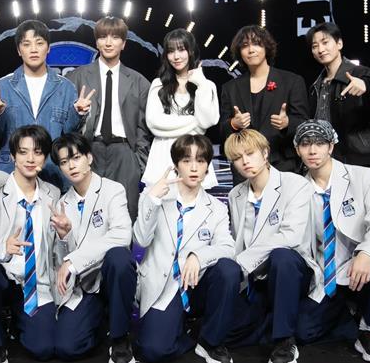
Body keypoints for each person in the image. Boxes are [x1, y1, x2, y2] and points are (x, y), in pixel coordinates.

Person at [293, 119, 370, 363]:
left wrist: (365, 253)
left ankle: (368, 330)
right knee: (303, 333)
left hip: (359, 267)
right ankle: (347, 312)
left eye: (319, 143)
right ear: (297, 149)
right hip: (325, 275)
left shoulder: (362, 176)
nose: (313, 150)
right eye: (305, 144)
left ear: (331, 146)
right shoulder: (297, 188)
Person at [134, 134, 240, 363]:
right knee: (153, 351)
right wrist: (153, 199)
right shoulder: (153, 197)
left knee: (228, 269)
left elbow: (227, 247)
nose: (194, 168)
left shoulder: (217, 208)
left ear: (207, 166)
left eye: (200, 161)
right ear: (176, 165)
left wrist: (198, 256)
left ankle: (210, 341)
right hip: (165, 286)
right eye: (186, 161)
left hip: (197, 284)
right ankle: (191, 334)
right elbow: (141, 240)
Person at [0, 125, 63, 363]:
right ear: (12, 156)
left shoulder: (52, 193)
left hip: (35, 284)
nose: (30, 159)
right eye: (23, 152)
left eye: (37, 153)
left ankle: (18, 321)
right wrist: (3, 249)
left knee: (44, 349)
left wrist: (64, 236)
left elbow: (57, 249)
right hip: (3, 278)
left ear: (45, 158)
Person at [222, 129, 316, 363]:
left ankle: (285, 341)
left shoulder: (295, 184)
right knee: (226, 334)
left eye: (250, 154)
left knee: (281, 256)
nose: (245, 161)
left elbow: (291, 236)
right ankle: (269, 321)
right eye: (237, 158)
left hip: (291, 271)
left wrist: (244, 261)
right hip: (255, 277)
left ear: (265, 154)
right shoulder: (236, 194)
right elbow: (236, 240)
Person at [49, 132, 138, 363]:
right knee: (67, 348)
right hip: (85, 285)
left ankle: (120, 338)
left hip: (110, 277)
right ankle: (101, 322)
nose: (71, 166)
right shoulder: (62, 203)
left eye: (76, 158)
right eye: (64, 162)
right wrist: (64, 236)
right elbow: (61, 260)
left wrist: (75, 260)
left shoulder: (112, 190)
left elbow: (122, 235)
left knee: (119, 257)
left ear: (89, 158)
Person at [0, 20, 91, 191]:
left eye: (39, 43)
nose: (33, 49)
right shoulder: (2, 86)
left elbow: (70, 137)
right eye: (27, 44)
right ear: (19, 50)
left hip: (53, 173)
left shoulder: (66, 87)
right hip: (11, 173)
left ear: (48, 48)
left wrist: (78, 114)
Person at [65, 16, 152, 220]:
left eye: (115, 37)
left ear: (124, 43)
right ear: (96, 42)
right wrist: (77, 114)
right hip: (88, 150)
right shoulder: (77, 77)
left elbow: (144, 127)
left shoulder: (138, 81)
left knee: (125, 215)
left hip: (125, 153)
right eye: (103, 37)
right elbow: (65, 123)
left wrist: (137, 162)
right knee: (86, 216)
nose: (108, 42)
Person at [219, 25, 309, 181]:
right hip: (245, 169)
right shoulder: (230, 88)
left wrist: (287, 123)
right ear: (240, 52)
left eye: (256, 44)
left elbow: (305, 124)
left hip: (283, 165)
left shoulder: (291, 81)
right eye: (245, 46)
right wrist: (234, 123)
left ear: (266, 47)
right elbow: (222, 130)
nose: (251, 50)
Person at [143, 28, 220, 189]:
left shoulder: (207, 85)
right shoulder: (158, 84)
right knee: (163, 201)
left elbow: (208, 121)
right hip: (163, 153)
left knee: (195, 202)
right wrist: (195, 122)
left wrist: (200, 84)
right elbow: (154, 123)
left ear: (191, 51)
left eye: (181, 49)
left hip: (195, 152)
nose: (176, 56)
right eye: (171, 51)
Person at [306, 22, 370, 167]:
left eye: (325, 42)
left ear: (339, 43)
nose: (320, 49)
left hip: (356, 158)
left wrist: (368, 87)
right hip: (324, 160)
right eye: (315, 46)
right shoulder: (316, 85)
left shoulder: (360, 73)